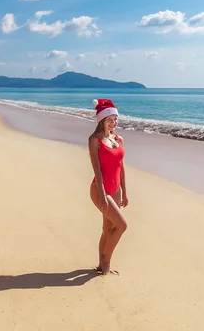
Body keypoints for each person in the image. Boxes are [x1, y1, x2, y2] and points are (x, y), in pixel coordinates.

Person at [88, 98, 129, 276]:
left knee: (108, 228)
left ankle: (100, 263)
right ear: (102, 120)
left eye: (115, 119)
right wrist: (103, 195)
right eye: (110, 119)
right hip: (100, 189)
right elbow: (96, 168)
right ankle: (106, 262)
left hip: (117, 189)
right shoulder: (95, 140)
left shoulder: (119, 139)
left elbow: (121, 166)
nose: (114, 122)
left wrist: (125, 192)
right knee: (122, 225)